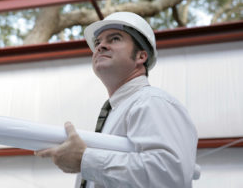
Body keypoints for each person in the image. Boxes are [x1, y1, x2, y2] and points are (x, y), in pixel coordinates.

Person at [35, 12, 198, 188]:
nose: (100, 46)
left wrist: (85, 159)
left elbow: (169, 177)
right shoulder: (118, 111)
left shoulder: (153, 102)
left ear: (140, 56)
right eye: (98, 42)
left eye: (114, 39)